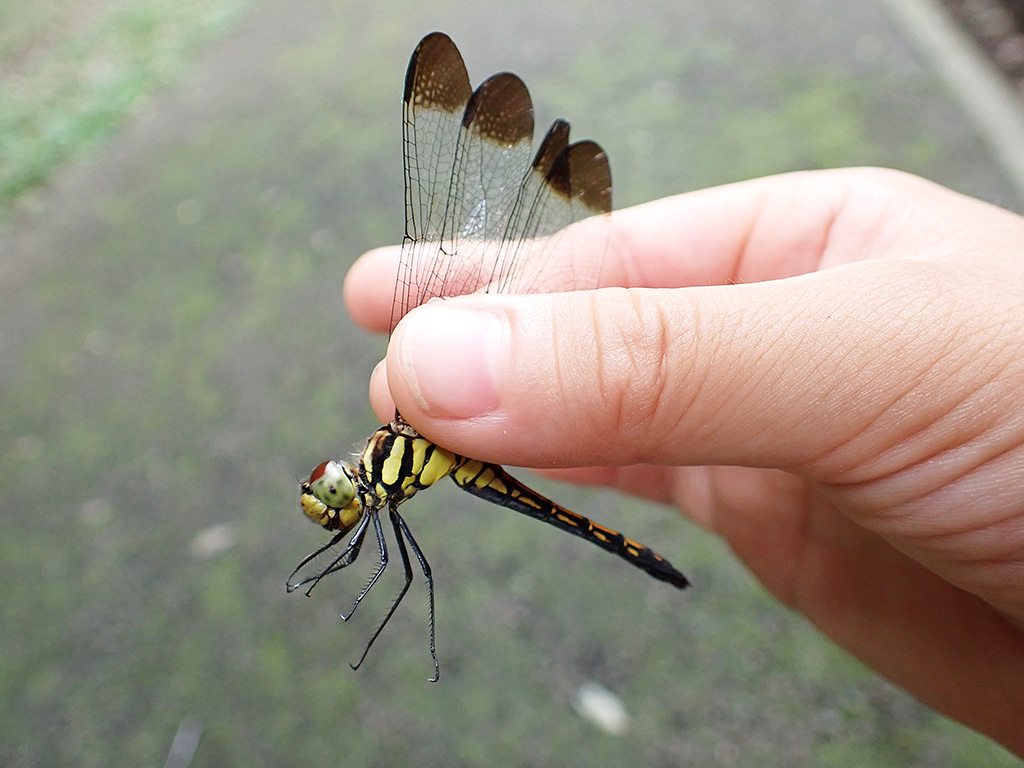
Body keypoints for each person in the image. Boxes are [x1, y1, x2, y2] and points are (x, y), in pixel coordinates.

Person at [343, 167, 1024, 756]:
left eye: (331, 488)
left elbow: (405, 571)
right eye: (332, 497)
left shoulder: (400, 445)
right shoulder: (386, 478)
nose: (334, 500)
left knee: (409, 568)